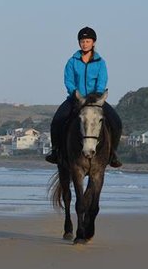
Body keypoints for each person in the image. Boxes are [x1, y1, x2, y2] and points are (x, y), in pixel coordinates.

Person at [45, 26, 122, 167]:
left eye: (87, 41)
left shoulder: (100, 63)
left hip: (95, 100)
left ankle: (113, 154)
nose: (84, 44)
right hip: (76, 99)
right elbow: (68, 80)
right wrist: (75, 94)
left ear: (93, 42)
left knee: (116, 121)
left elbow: (102, 80)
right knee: (57, 120)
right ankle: (55, 151)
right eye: (82, 41)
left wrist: (95, 96)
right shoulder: (72, 61)